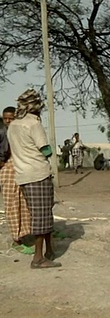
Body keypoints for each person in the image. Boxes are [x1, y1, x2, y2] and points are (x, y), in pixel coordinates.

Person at [7, 89, 61, 268]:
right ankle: (38, 258)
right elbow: (46, 150)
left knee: (39, 213)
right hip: (38, 174)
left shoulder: (13, 125)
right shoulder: (33, 124)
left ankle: (49, 250)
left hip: (22, 175)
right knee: (42, 216)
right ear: (36, 107)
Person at [0, 106, 31, 245]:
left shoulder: (19, 131)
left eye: (11, 118)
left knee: (24, 201)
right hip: (7, 168)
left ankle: (25, 232)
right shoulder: (2, 132)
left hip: (20, 166)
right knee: (11, 202)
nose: (8, 121)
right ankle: (16, 237)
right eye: (5, 118)